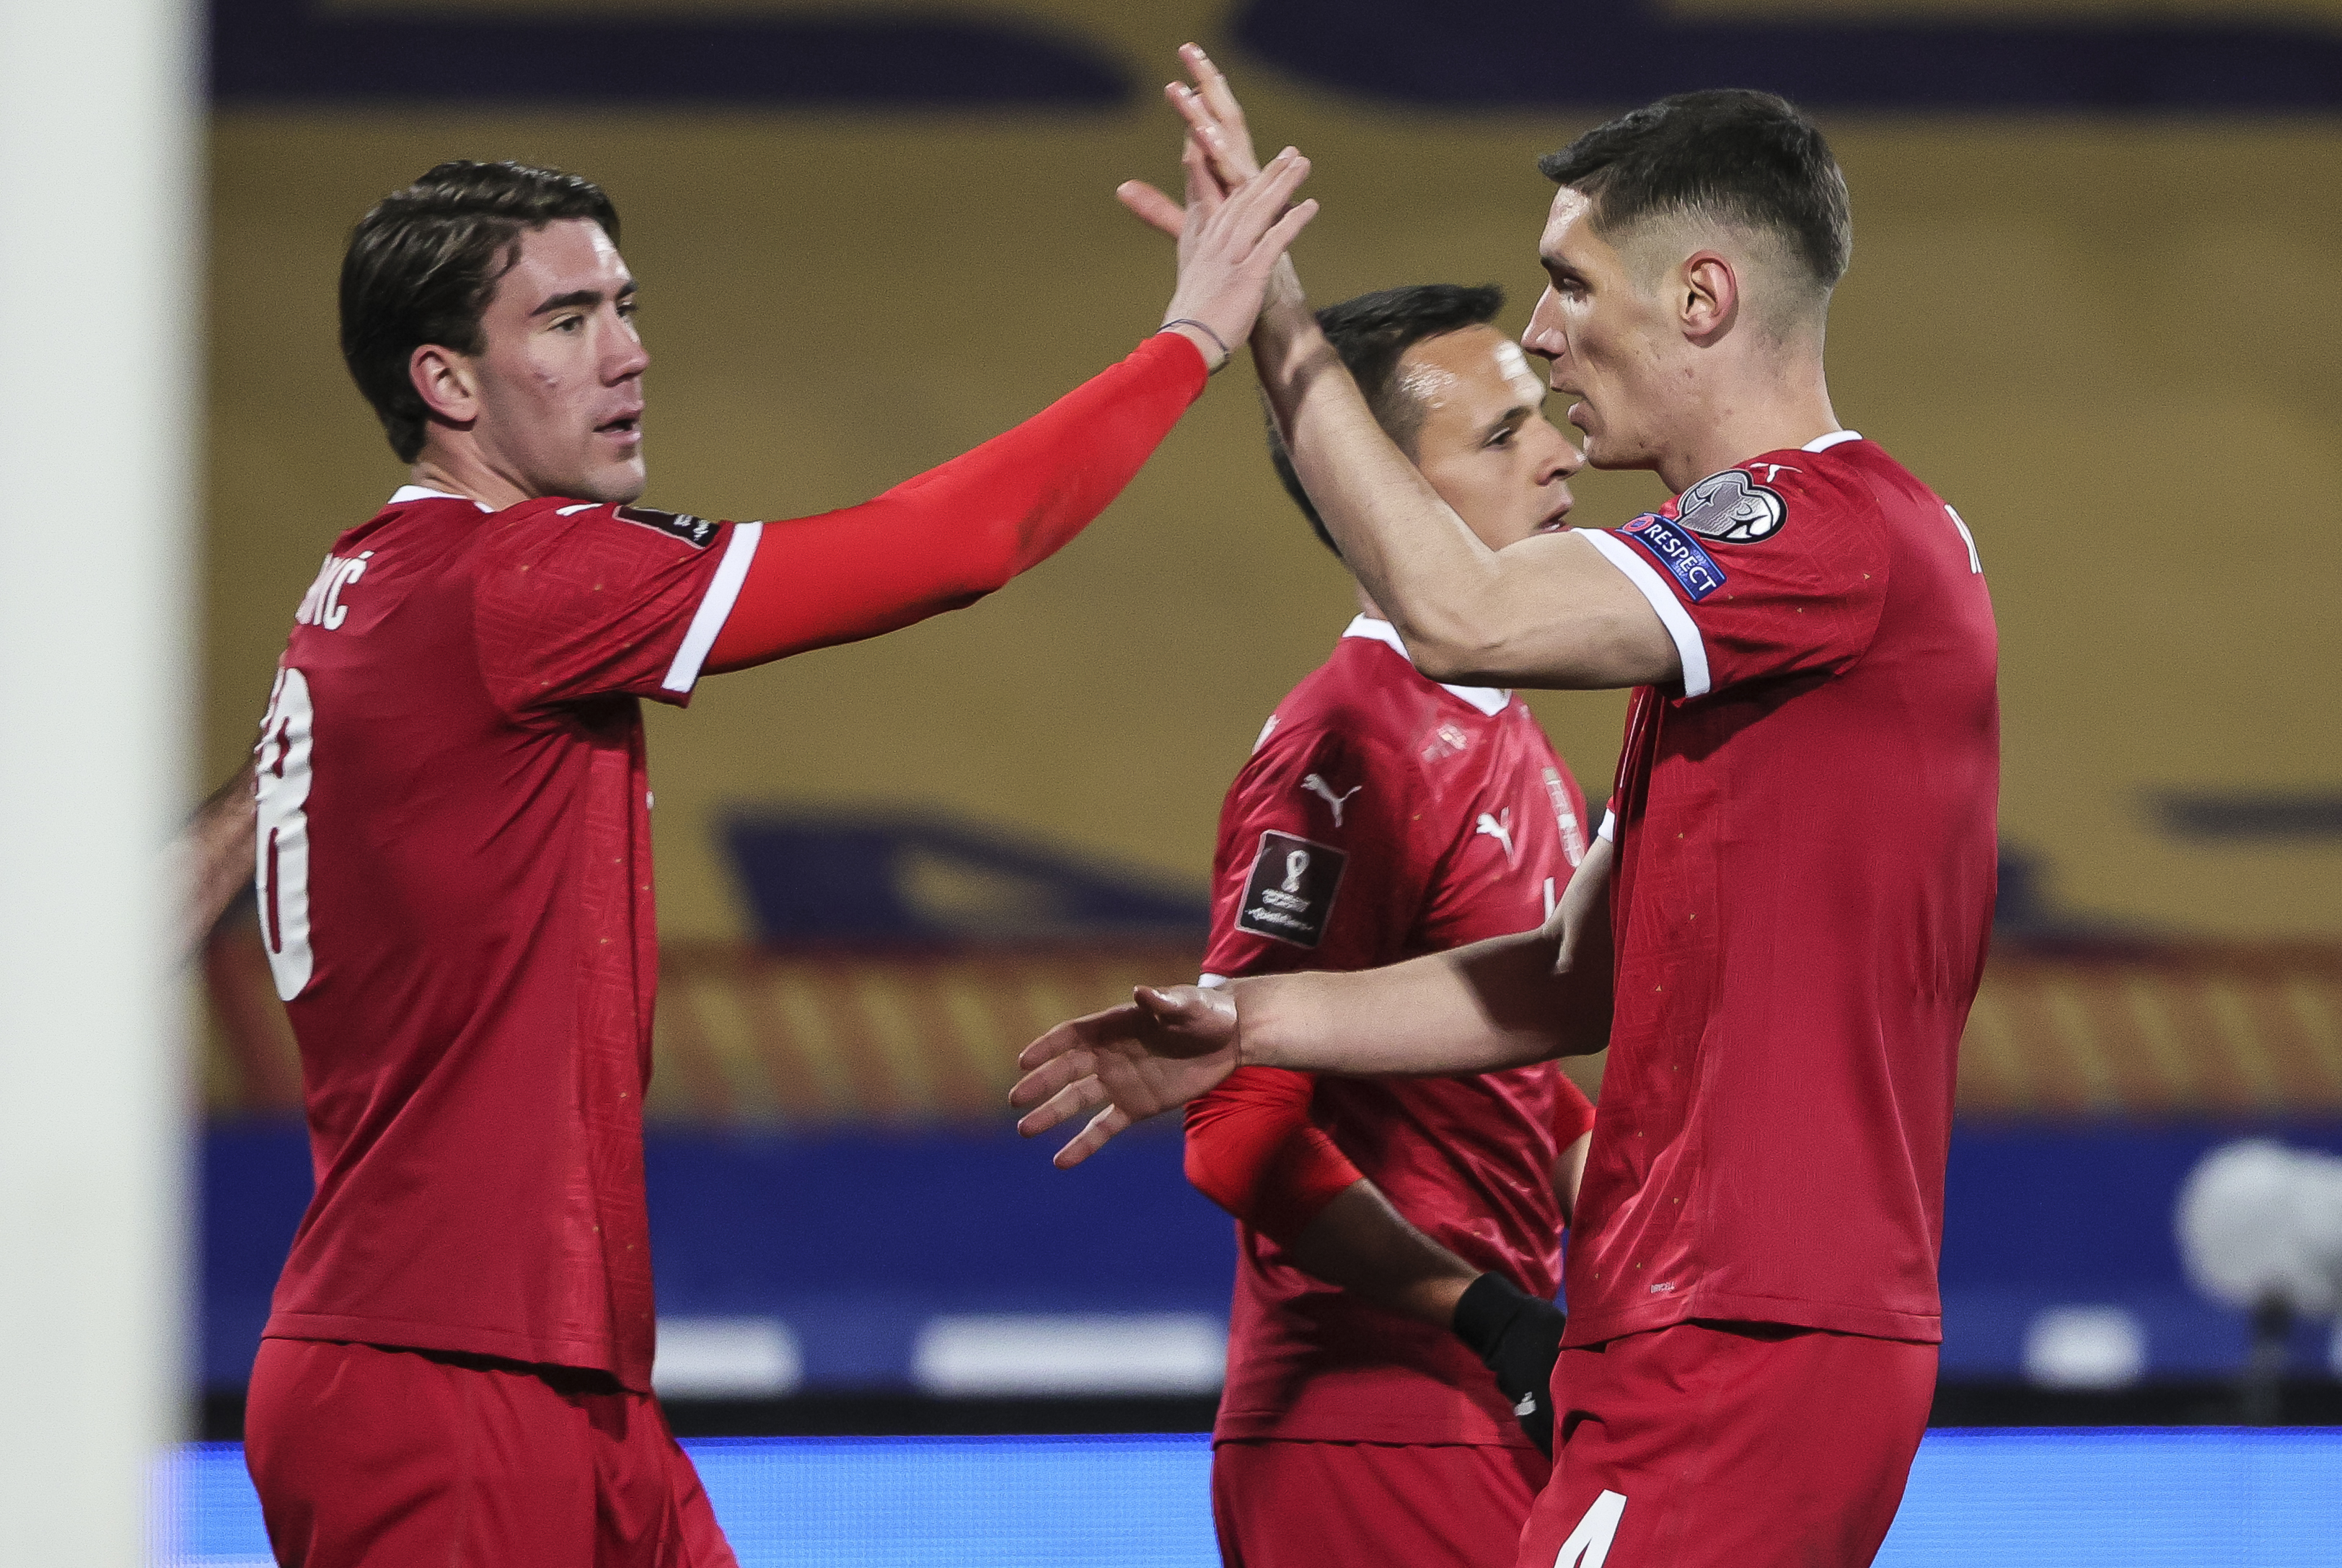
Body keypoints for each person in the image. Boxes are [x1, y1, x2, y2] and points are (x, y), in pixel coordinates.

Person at [231, 149, 1315, 1568]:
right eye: (566, 321)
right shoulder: (516, 580)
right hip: (452, 1380)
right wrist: (1192, 339)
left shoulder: (380, 581)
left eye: (624, 303)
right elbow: (958, 542)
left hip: (531, 1368)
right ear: (444, 383)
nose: (628, 353)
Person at [1014, 48, 1998, 1568]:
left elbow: (1459, 612)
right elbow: (1564, 977)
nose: (1542, 337)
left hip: (1738, 1316)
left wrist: (1275, 325)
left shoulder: (1818, 529)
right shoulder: (1734, 622)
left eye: (1569, 284)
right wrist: (1248, 1023)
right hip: (1691, 1320)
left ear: (1701, 300)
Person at [1183, 282, 1596, 1567]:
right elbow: (1235, 1129)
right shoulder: (1347, 744)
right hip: (1370, 1428)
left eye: (1542, 418)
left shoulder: (1508, 725)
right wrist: (1487, 1314)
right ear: (1379, 493)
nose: (1562, 452)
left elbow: (1513, 1091)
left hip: (1483, 1401)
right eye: (1499, 436)